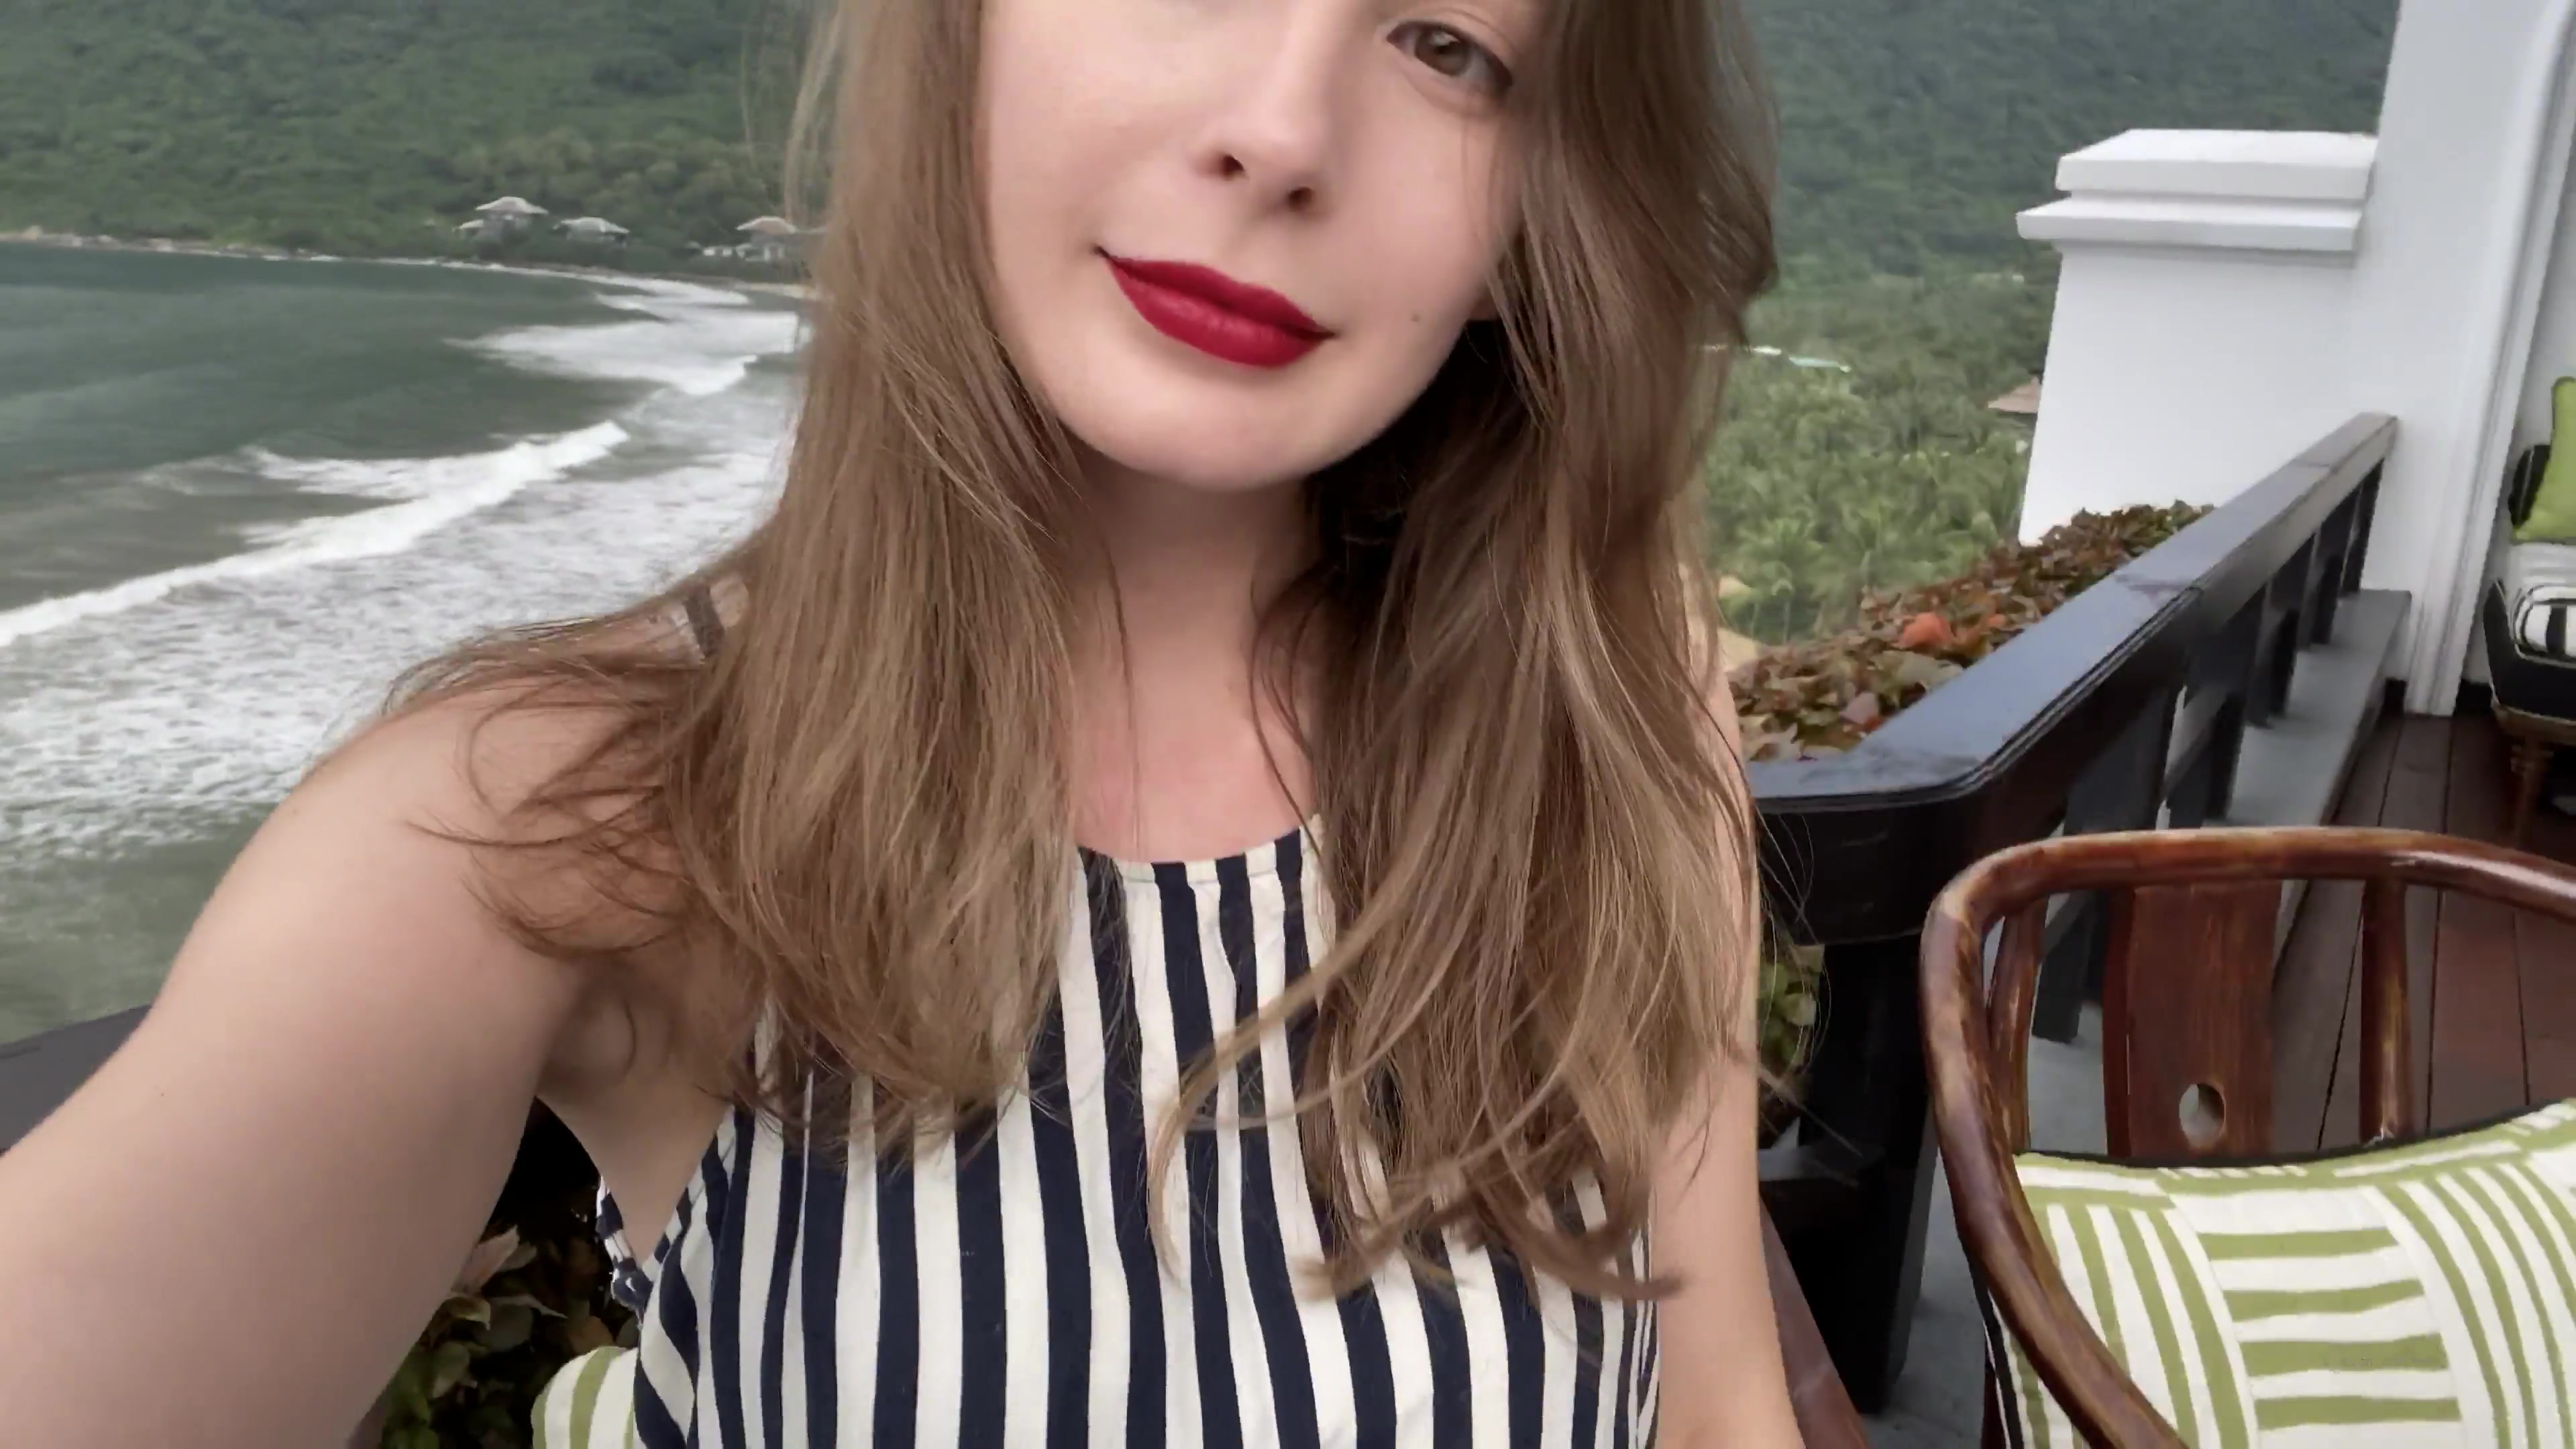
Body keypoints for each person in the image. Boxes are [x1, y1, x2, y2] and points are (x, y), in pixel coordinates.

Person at [0, 0, 1801, 1442]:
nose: (1283, 131)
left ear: (1540, 209)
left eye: (1447, 47)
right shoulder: (587, 817)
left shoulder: (1606, 717)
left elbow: (1717, 1402)